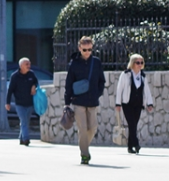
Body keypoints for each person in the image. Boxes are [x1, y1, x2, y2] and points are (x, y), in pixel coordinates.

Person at [64, 36, 107, 165]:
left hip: (92, 101)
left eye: (89, 49)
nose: (87, 52)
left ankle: (84, 146)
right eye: (84, 50)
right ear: (79, 48)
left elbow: (101, 81)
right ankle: (85, 154)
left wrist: (97, 94)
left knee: (93, 127)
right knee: (82, 128)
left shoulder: (96, 62)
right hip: (78, 101)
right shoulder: (74, 64)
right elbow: (69, 83)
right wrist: (67, 102)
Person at [114, 54, 155, 154]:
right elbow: (120, 89)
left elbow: (147, 90)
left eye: (141, 62)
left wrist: (149, 104)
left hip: (138, 104)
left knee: (134, 125)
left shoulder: (142, 76)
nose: (140, 65)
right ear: (132, 63)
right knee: (131, 123)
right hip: (127, 103)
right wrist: (118, 104)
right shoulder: (125, 74)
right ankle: (136, 144)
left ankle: (129, 146)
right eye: (137, 63)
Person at [5, 57, 39, 147]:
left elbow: (36, 82)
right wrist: (7, 103)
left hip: (30, 102)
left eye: (29, 64)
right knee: (23, 121)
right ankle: (26, 139)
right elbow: (10, 90)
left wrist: (34, 86)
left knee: (26, 121)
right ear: (21, 66)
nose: (29, 66)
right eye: (26, 64)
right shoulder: (15, 76)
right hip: (19, 103)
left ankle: (21, 138)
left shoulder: (31, 74)